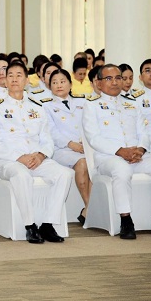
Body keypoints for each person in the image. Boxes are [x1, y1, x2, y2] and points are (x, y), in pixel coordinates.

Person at [82, 64, 151, 240]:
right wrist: (120, 151)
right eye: (109, 78)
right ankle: (126, 221)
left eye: (118, 78)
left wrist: (141, 149)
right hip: (109, 158)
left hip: (137, 155)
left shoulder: (132, 103)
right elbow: (94, 138)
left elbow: (144, 133)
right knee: (122, 170)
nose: (114, 82)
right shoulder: (91, 106)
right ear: (99, 83)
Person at [0, 61, 73, 244]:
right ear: (5, 81)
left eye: (19, 75)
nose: (14, 79)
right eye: (10, 76)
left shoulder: (37, 106)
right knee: (21, 174)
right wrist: (19, 157)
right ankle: (30, 226)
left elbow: (47, 139)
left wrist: (40, 155)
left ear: (26, 80)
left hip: (36, 159)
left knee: (64, 174)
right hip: (9, 161)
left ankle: (47, 224)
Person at [44, 69, 91, 224]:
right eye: (54, 82)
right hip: (61, 150)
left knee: (94, 163)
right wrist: (71, 144)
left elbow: (89, 125)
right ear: (49, 86)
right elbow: (51, 131)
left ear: (70, 84)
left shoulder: (83, 102)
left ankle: (88, 210)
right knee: (83, 163)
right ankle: (89, 207)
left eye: (62, 81)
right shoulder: (45, 106)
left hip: (85, 147)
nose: (59, 85)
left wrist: (85, 142)